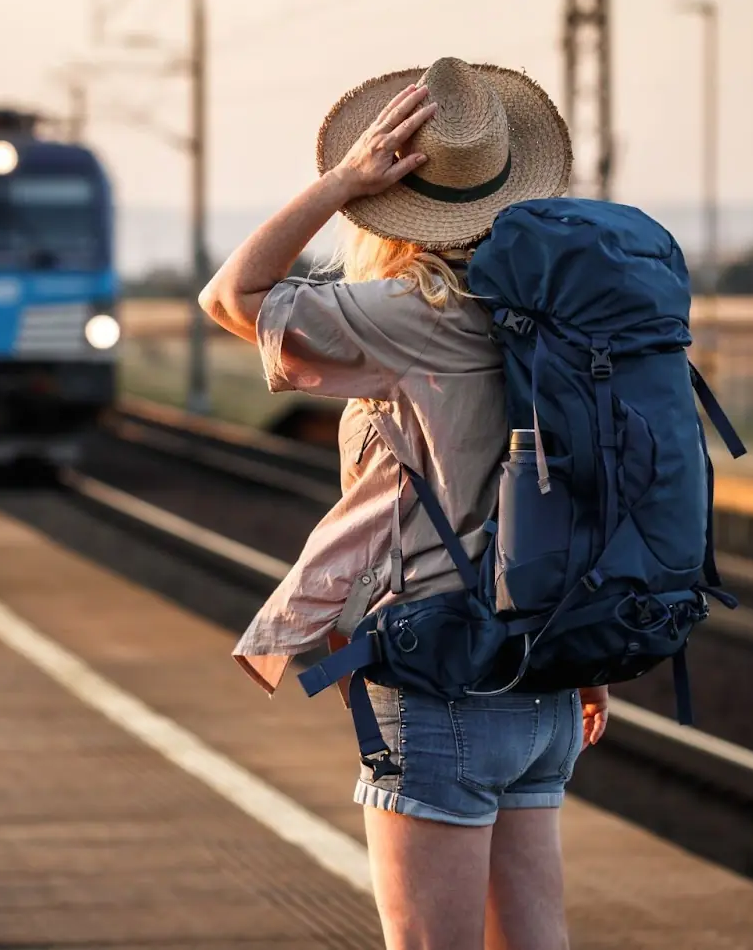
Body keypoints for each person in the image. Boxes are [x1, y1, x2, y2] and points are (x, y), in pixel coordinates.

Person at [199, 58, 610, 950]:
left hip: (443, 679)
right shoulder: (565, 316)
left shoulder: (417, 312)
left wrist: (338, 183)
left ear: (397, 197)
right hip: (549, 681)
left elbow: (231, 297)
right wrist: (589, 656)